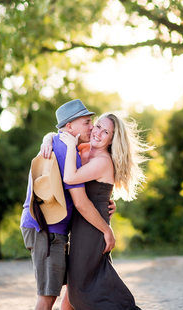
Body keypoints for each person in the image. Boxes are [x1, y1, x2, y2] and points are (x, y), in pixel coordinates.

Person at [20, 99, 116, 310]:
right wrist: (106, 230)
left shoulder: (57, 142)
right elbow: (80, 202)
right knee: (47, 297)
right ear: (70, 126)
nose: (92, 127)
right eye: (87, 122)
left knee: (67, 290)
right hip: (47, 229)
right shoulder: (67, 151)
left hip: (49, 228)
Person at [54, 111, 148, 310]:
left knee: (84, 290)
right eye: (97, 126)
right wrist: (47, 141)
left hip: (93, 228)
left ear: (112, 139)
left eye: (106, 132)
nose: (97, 132)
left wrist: (107, 230)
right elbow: (56, 138)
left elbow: (70, 178)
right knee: (74, 291)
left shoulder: (103, 161)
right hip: (81, 224)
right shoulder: (85, 149)